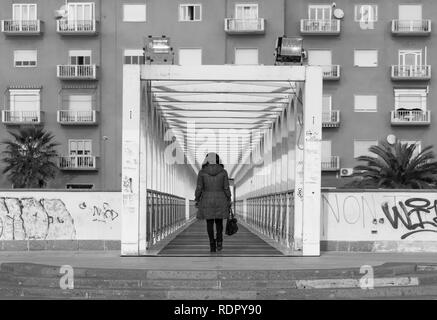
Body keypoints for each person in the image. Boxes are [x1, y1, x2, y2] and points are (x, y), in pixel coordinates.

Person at [195, 152, 232, 253]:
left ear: (206, 160)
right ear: (217, 160)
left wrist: (197, 198)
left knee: (209, 223)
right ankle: (219, 241)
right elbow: (226, 187)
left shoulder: (202, 172)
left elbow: (199, 188)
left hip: (207, 200)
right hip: (221, 199)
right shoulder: (223, 172)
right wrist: (229, 198)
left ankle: (212, 244)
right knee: (219, 222)